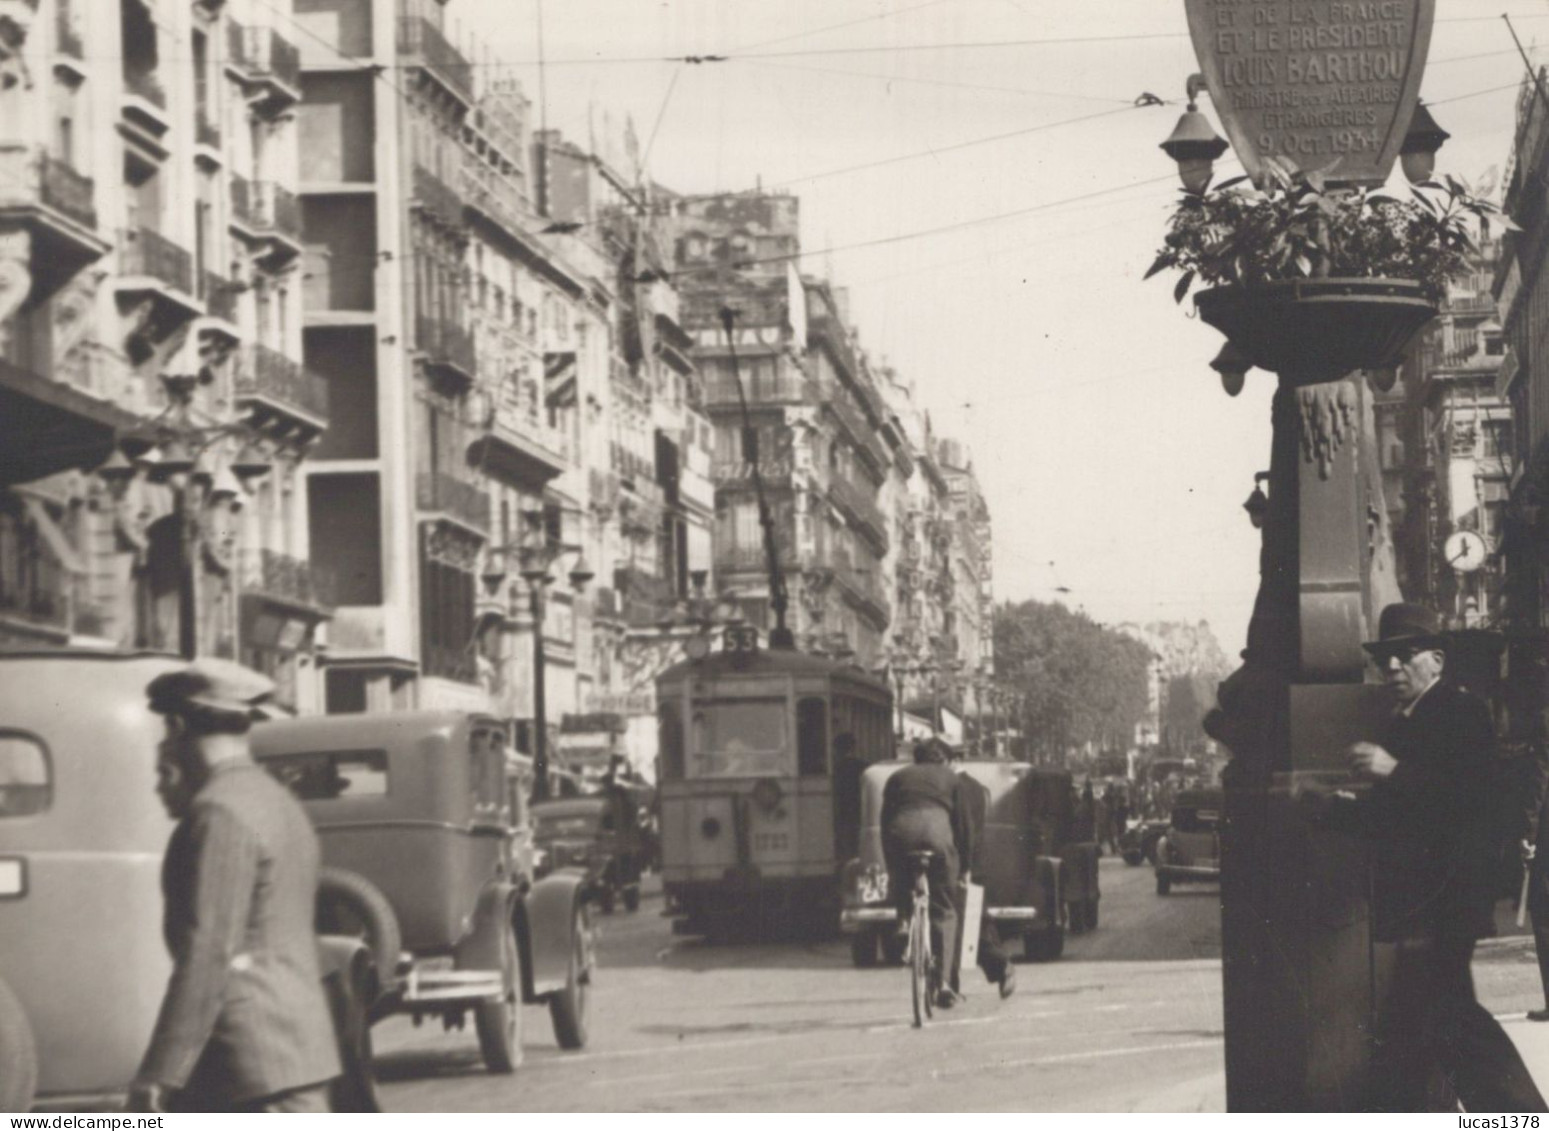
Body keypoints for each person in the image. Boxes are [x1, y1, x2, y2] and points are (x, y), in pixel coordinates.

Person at [1327, 603, 1546, 1111]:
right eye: (1386, 660)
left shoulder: (1460, 711)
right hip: (1419, 900)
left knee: (1447, 1020)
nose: (1393, 668)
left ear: (1438, 662)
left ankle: (1520, 1118)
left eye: (1405, 655)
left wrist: (1393, 769)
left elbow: (1470, 800)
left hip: (1446, 898)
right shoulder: (1404, 720)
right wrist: (1333, 809)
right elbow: (1394, 813)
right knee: (1419, 1026)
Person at [130, 660, 341, 1114]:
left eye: (166, 733)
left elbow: (209, 954)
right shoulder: (276, 800)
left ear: (177, 725)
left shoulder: (219, 812)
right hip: (288, 1055)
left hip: (252, 1067)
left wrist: (161, 1074)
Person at [882, 737, 974, 1009]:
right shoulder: (951, 779)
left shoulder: (897, 777)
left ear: (916, 758)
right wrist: (965, 866)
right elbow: (964, 828)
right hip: (938, 836)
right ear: (942, 759)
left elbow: (884, 821)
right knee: (945, 910)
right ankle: (944, 983)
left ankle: (902, 921)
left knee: (902, 878)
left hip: (902, 833)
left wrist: (892, 867)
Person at [953, 759, 1015, 999]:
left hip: (963, 863)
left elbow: (966, 830)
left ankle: (1000, 967)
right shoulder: (975, 787)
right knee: (969, 925)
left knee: (971, 927)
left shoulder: (959, 787)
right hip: (967, 862)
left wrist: (965, 865)